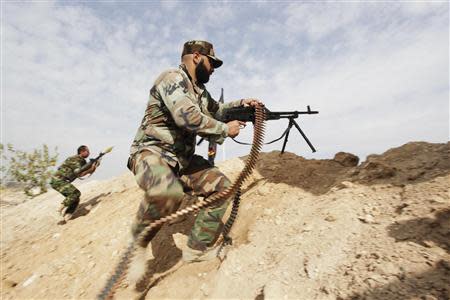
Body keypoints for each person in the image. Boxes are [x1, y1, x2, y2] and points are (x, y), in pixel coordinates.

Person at [128, 40, 261, 266]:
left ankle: (196, 250)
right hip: (152, 153)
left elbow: (218, 110)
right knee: (167, 192)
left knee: (223, 189)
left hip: (183, 160)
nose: (213, 69)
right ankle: (138, 241)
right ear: (197, 57)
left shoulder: (199, 91)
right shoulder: (171, 78)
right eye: (212, 63)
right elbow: (187, 117)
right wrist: (224, 130)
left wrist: (242, 103)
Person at [50, 145, 98, 222]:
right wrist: (90, 169)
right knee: (75, 193)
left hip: (62, 180)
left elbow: (83, 173)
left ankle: (67, 216)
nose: (89, 153)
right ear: (82, 152)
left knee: (75, 200)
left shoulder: (82, 161)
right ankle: (58, 211)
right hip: (58, 180)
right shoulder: (74, 159)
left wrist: (93, 168)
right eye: (87, 151)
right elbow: (79, 173)